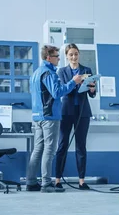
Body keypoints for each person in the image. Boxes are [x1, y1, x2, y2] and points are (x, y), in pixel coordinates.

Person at [27, 45, 82, 193]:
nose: (59, 58)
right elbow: (57, 93)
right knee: (49, 150)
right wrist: (73, 82)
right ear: (48, 57)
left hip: (37, 116)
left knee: (38, 149)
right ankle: (46, 183)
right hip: (49, 116)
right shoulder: (49, 73)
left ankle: (31, 182)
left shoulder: (36, 73)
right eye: (57, 56)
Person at [54, 43, 97, 190]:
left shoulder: (87, 70)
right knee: (62, 145)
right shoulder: (62, 71)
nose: (74, 57)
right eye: (71, 54)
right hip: (66, 112)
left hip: (83, 112)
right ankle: (58, 180)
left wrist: (91, 89)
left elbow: (92, 94)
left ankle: (81, 181)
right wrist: (75, 82)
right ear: (66, 56)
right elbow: (63, 90)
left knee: (81, 147)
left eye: (76, 54)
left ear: (79, 55)